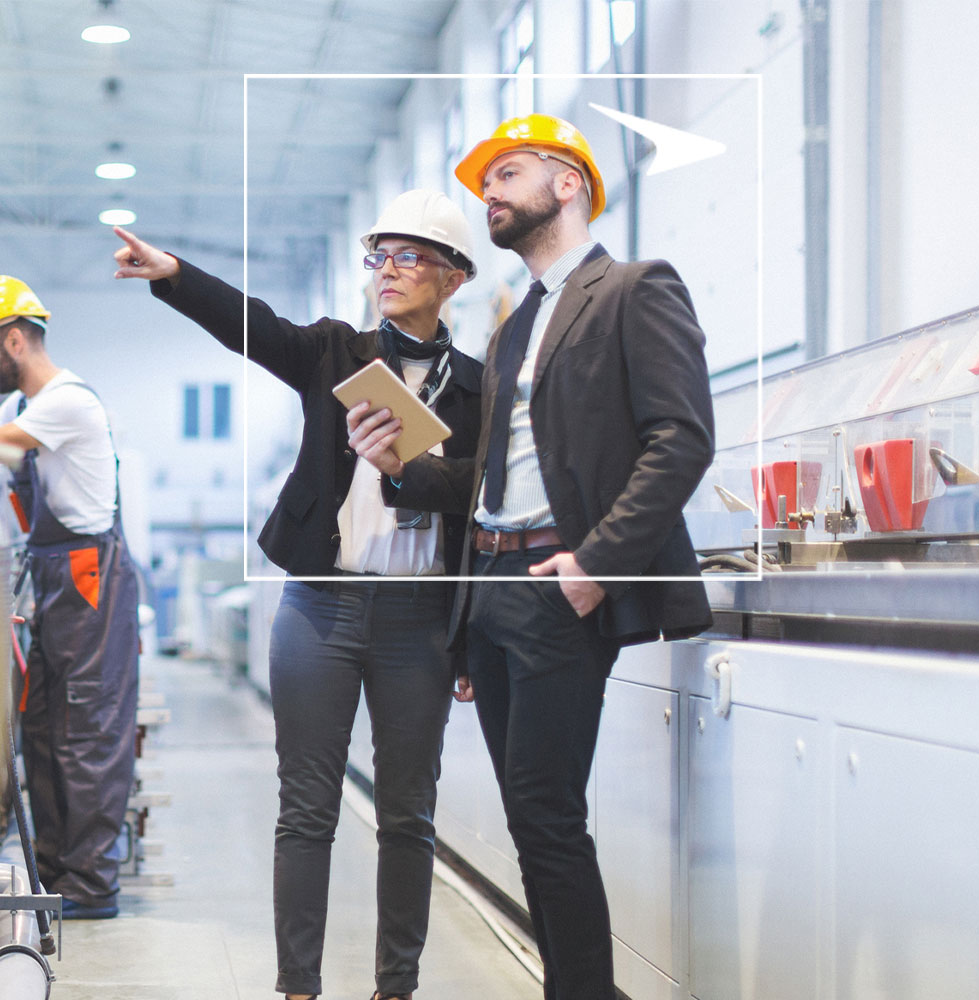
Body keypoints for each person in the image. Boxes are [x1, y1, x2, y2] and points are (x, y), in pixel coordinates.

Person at [348, 114, 715, 1000]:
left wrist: (597, 563)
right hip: (499, 586)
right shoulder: (515, 329)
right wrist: (405, 467)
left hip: (563, 581)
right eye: (486, 182)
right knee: (529, 820)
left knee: (550, 820)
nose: (491, 194)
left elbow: (681, 439)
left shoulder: (634, 288)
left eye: (508, 173)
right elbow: (488, 476)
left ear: (568, 183)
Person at [112, 188, 481, 1000]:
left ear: (454, 277)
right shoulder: (335, 353)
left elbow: (479, 504)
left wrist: (470, 637)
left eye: (408, 255)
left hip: (419, 620)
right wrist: (174, 275)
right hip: (319, 607)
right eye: (378, 255)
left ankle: (396, 988)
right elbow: (257, 326)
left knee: (408, 817)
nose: (387, 270)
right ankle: (298, 988)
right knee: (306, 808)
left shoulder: (479, 391)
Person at [0, 275, 140, 920]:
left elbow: (7, 450)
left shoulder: (63, 400)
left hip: (89, 577)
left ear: (15, 339)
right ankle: (54, 873)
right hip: (56, 573)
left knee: (85, 728)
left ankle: (90, 883)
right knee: (45, 726)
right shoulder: (24, 412)